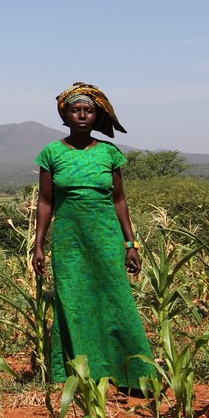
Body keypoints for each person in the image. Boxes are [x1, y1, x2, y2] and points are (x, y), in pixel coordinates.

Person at [32, 82, 152, 389]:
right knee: (73, 302)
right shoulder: (52, 153)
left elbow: (119, 201)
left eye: (88, 110)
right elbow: (45, 202)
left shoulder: (110, 153)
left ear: (97, 116)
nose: (82, 115)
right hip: (70, 242)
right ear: (66, 115)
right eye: (76, 110)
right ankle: (81, 374)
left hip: (106, 239)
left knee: (116, 300)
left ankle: (131, 375)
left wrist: (130, 244)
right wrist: (38, 245)